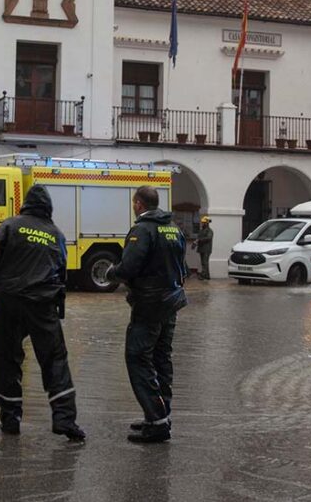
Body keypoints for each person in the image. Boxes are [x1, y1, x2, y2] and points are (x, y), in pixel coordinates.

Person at [0, 185, 85, 442]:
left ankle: (10, 419)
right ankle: (64, 419)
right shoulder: (56, 235)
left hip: (10, 299)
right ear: (49, 208)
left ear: (26, 204)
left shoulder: (10, 226)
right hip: (43, 302)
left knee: (6, 358)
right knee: (55, 359)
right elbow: (62, 273)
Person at [107, 186, 188, 443]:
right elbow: (182, 267)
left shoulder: (142, 230)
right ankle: (160, 416)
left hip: (149, 305)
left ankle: (156, 420)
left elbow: (129, 267)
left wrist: (111, 272)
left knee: (137, 357)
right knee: (161, 358)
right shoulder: (173, 228)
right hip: (170, 302)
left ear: (139, 204)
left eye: (134, 203)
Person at [193, 216, 213, 280]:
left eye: (204, 222)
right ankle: (207, 275)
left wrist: (199, 240)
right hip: (201, 248)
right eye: (202, 222)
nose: (202, 224)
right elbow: (198, 238)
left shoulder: (209, 231)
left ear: (207, 223)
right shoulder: (201, 230)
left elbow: (208, 238)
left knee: (205, 262)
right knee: (203, 263)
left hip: (206, 249)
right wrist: (195, 243)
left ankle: (203, 275)